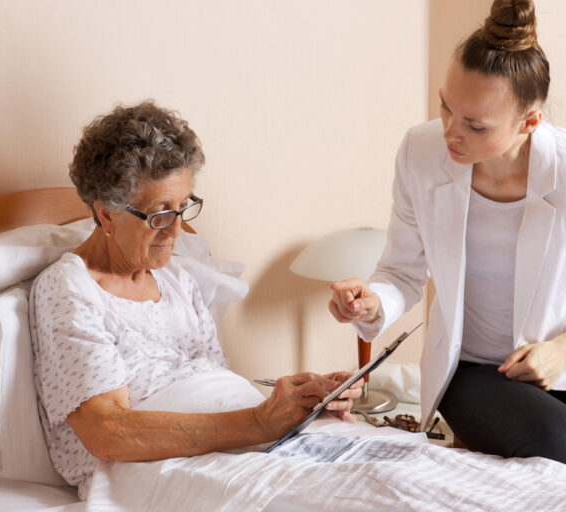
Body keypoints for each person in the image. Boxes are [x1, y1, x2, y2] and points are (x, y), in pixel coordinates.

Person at [328, 0, 566, 485]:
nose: (451, 131)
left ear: (529, 122)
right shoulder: (420, 152)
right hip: (477, 366)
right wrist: (372, 304)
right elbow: (403, 271)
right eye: (446, 106)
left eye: (476, 124)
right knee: (557, 445)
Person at [29, 101, 360, 499]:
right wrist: (261, 421)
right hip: (152, 468)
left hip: (237, 445)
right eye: (159, 215)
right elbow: (108, 432)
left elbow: (214, 386)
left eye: (183, 207)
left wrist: (296, 406)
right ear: (106, 215)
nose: (177, 231)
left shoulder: (178, 281)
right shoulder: (69, 288)